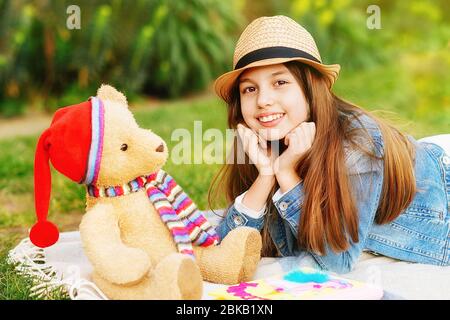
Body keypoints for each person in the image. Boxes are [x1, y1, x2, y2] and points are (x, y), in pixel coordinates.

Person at [209, 15, 450, 274]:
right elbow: (224, 254)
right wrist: (267, 175)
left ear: (311, 90)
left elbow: (337, 261)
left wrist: (287, 175)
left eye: (280, 82)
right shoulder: (264, 146)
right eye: (249, 89)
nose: (264, 100)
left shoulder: (359, 146)